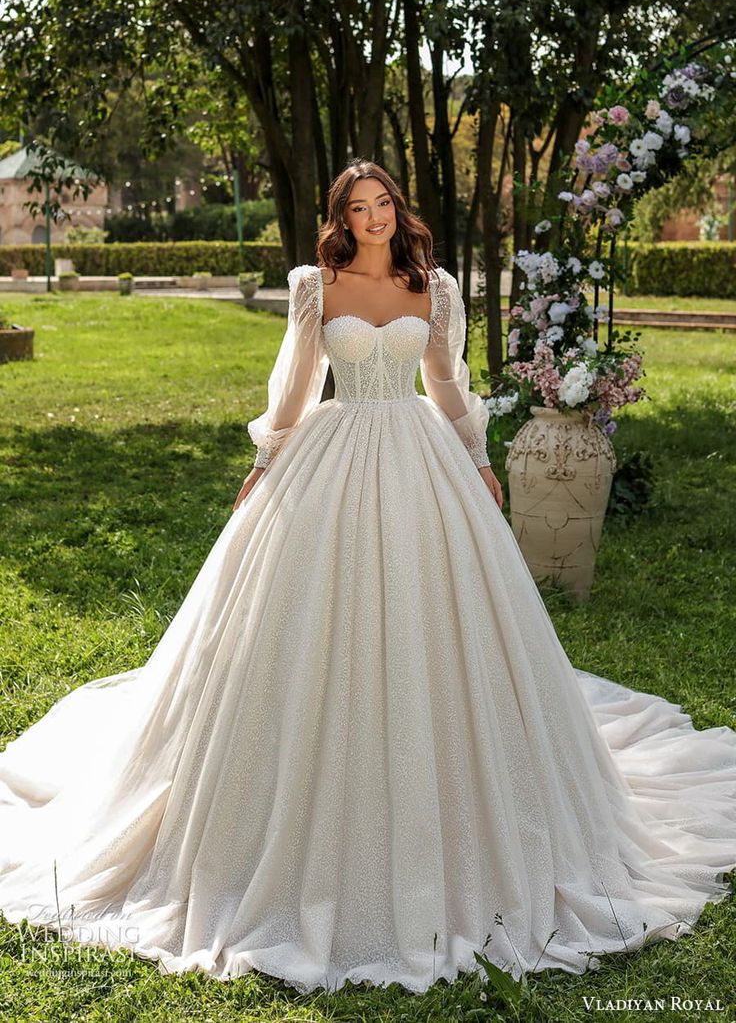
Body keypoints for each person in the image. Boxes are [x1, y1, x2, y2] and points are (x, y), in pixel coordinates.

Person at [0, 158, 735, 997]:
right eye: (360, 207)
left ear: (399, 211)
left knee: (440, 624)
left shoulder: (437, 289)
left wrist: (477, 457)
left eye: (384, 203)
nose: (376, 216)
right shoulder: (318, 287)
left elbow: (447, 384)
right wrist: (266, 460)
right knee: (308, 628)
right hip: (334, 453)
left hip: (423, 460)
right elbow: (295, 388)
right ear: (341, 218)